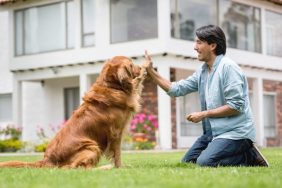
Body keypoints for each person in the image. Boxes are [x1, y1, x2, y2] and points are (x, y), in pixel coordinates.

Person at [143, 25, 269, 167]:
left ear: (213, 45)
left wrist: (203, 114)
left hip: (236, 133)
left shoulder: (228, 68)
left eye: (199, 42)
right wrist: (151, 71)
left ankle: (249, 157)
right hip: (213, 133)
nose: (195, 47)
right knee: (188, 162)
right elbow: (176, 89)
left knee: (205, 162)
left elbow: (236, 106)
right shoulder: (203, 71)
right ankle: (239, 153)